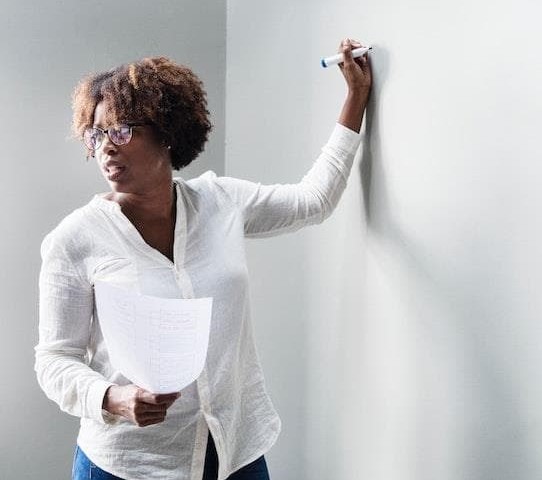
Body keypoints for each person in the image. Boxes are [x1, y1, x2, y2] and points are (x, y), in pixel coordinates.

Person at [35, 38, 371, 480]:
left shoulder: (221, 201)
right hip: (129, 465)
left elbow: (314, 202)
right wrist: (112, 399)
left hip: (236, 453)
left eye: (120, 130)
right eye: (95, 134)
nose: (105, 147)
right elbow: (55, 360)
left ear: (167, 132)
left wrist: (355, 99)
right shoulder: (74, 239)